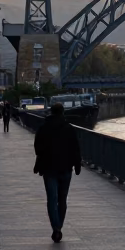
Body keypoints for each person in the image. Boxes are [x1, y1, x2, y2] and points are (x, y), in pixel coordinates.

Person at [33, 102, 81, 242]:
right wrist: (77, 165)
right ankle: (59, 225)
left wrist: (42, 159)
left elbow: (38, 147)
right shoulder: (69, 128)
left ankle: (56, 228)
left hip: (48, 168)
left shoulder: (43, 128)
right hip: (66, 167)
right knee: (62, 199)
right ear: (62, 112)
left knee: (52, 199)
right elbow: (75, 148)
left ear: (51, 112)